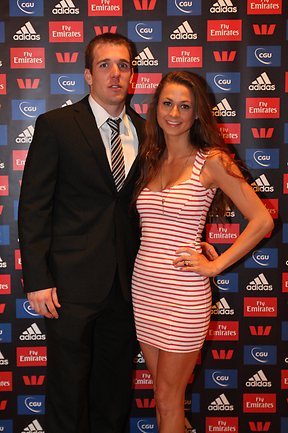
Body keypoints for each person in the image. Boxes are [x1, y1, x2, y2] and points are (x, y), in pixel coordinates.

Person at [131, 71, 274, 433]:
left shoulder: (211, 161)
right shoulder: (150, 158)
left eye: (185, 106)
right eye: (167, 103)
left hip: (183, 296)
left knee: (166, 396)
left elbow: (261, 220)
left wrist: (216, 265)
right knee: (165, 401)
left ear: (197, 114)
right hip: (144, 293)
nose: (174, 113)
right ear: (156, 108)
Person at [18, 33, 145, 433]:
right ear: (88, 75)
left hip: (126, 286)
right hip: (69, 287)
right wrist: (38, 278)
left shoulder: (149, 131)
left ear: (133, 76)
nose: (115, 74)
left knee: (113, 394)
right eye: (105, 65)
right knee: (68, 392)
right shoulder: (56, 125)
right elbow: (34, 206)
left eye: (123, 65)